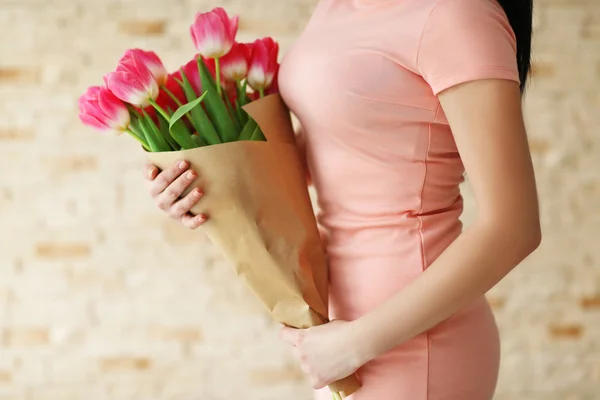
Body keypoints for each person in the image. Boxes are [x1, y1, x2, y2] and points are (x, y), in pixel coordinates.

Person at [143, 0, 540, 398]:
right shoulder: (336, 5)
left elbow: (512, 228)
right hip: (337, 329)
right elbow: (333, 149)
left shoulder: (458, 15)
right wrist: (198, 183)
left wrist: (354, 344)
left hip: (415, 341)